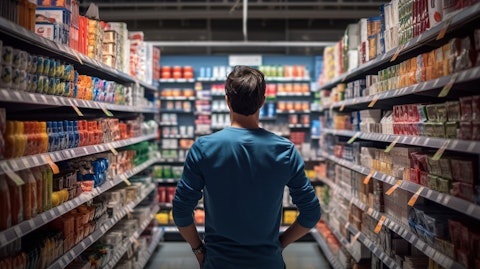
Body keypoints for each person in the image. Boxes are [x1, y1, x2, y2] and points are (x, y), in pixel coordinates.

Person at [172, 65, 321, 269]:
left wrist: (199, 250)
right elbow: (311, 213)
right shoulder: (285, 151)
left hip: (218, 263)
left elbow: (181, 212)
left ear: (227, 101)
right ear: (262, 101)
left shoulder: (203, 148)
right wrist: (280, 244)